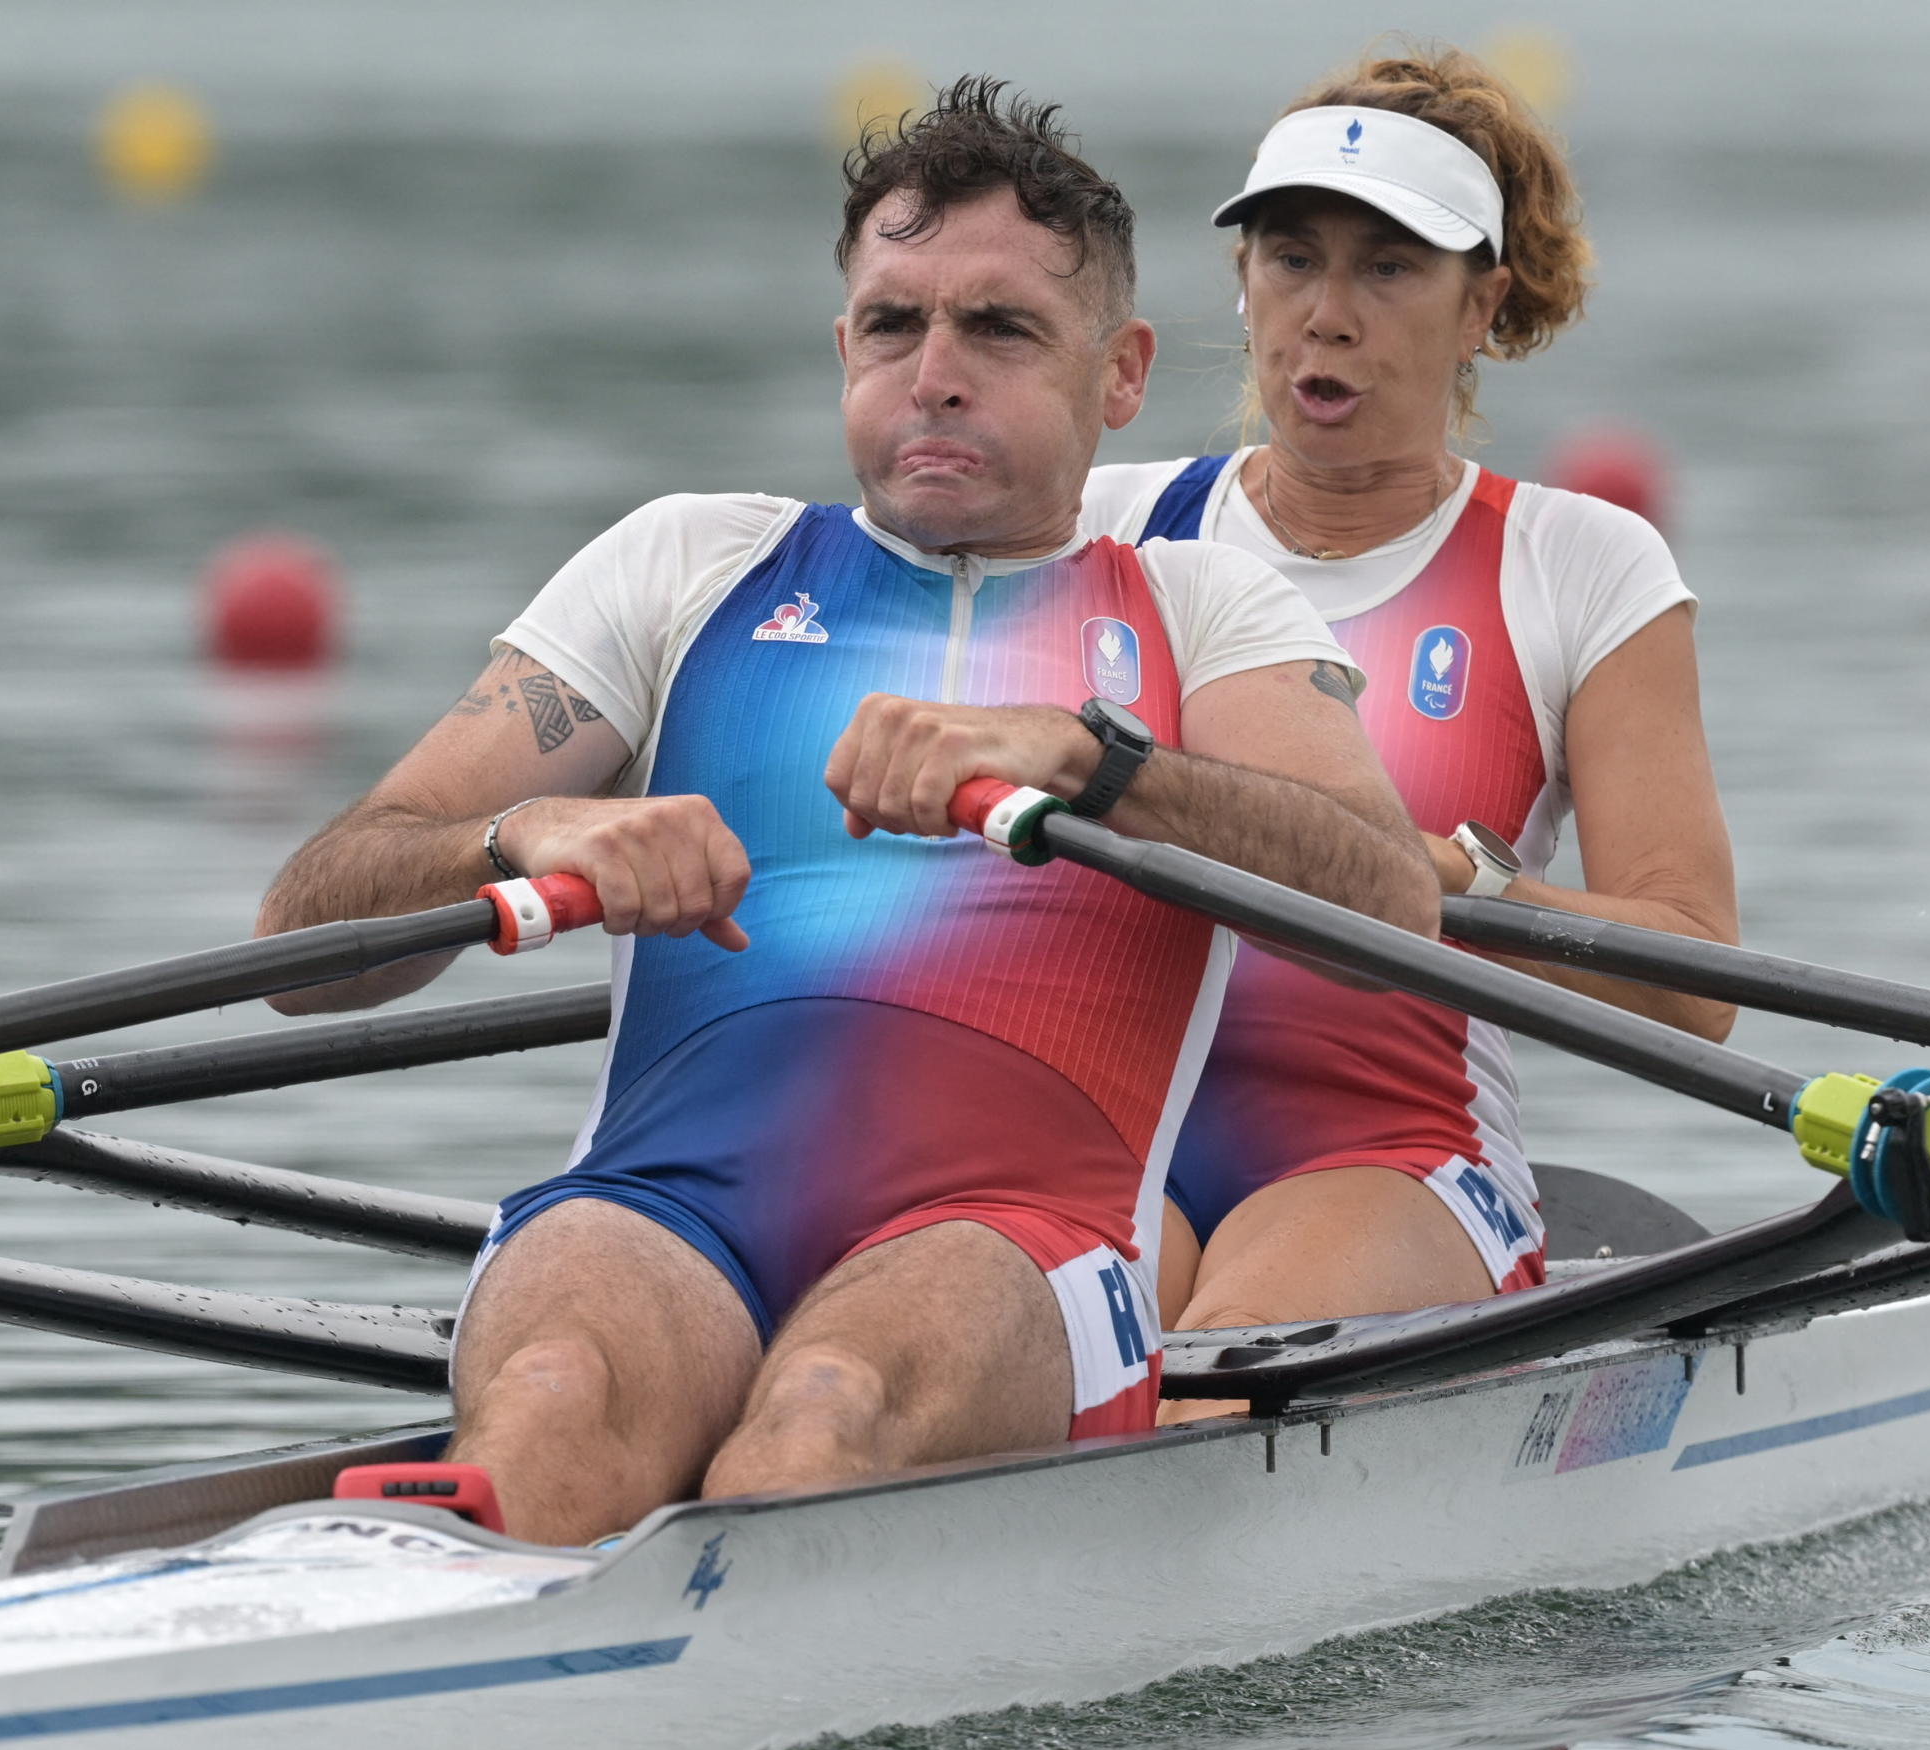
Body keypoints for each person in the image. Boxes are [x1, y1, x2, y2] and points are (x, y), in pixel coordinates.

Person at [255, 79, 1434, 1545]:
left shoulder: (1199, 607)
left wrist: (1093, 761)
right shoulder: (685, 566)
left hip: (1017, 1240)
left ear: (1120, 373)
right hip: (668, 1207)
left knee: (826, 1412)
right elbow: (305, 943)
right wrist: (516, 840)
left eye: (998, 328)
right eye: (893, 324)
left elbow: (1394, 909)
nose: (934, 371)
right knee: (555, 1390)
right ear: (842, 350)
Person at [1079, 48, 1738, 1359]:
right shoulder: (1103, 525)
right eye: (1291, 257)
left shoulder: (1579, 563)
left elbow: (1693, 983)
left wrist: (1437, 880)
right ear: (1243, 280)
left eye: (1388, 269)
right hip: (1107, 1127)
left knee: (1205, 1380)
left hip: (1395, 1155)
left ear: (1482, 307)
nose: (1326, 313)